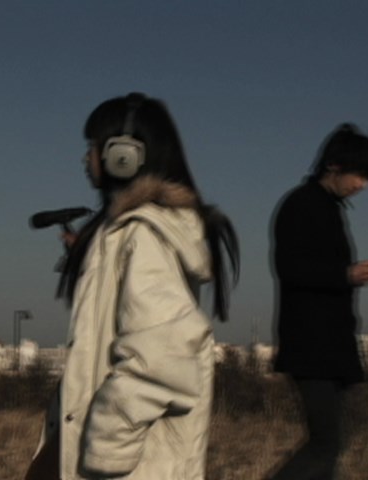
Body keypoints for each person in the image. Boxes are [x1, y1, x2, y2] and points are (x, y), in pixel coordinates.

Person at [26, 92, 239, 480]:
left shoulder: (144, 236)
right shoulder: (127, 236)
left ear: (123, 155)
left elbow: (164, 353)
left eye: (93, 146)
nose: (85, 158)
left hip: (124, 466)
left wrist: (106, 448)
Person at [270, 123, 368, 480]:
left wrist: (348, 275)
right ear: (334, 165)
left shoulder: (328, 208)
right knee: (325, 445)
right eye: (359, 175)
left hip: (329, 346)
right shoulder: (302, 204)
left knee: (328, 450)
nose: (362, 185)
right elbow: (290, 269)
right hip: (312, 346)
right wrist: (346, 275)